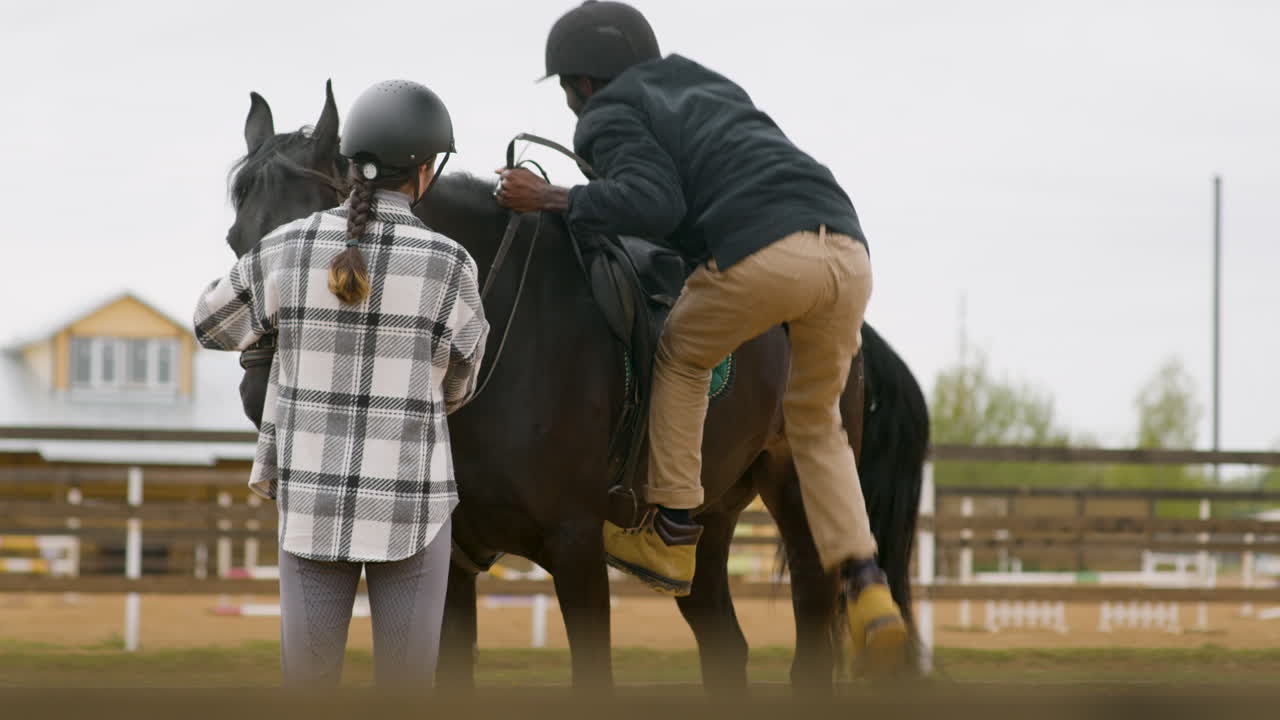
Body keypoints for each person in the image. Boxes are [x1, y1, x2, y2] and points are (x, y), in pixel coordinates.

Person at [494, 1, 906, 671]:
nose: (574, 108)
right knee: (814, 424)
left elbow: (657, 203)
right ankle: (866, 584)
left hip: (765, 253)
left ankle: (672, 532)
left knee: (683, 353)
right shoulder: (704, 83)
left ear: (584, 83)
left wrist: (556, 199)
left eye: (570, 92)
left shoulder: (607, 113)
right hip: (849, 254)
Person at [194, 80, 488, 688]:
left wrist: (280, 337)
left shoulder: (286, 247)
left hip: (310, 503)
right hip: (413, 505)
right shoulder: (451, 263)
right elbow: (459, 383)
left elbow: (209, 325)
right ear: (425, 172)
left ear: (351, 163)